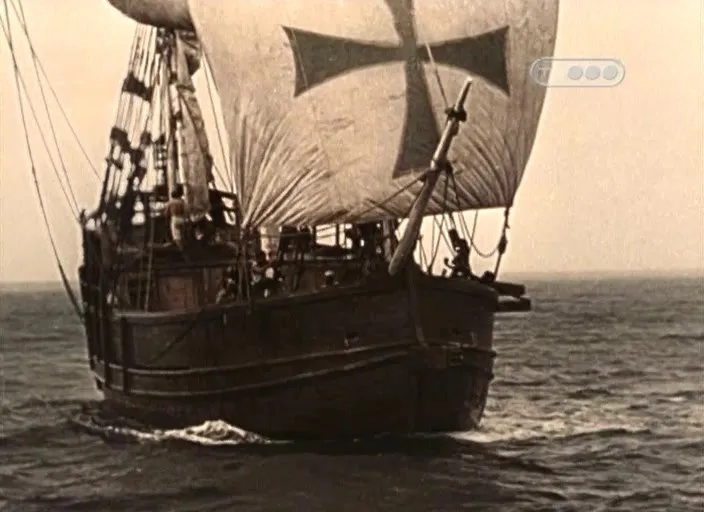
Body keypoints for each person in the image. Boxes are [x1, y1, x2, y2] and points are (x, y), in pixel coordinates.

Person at [164, 184, 188, 248]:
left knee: (176, 235)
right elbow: (185, 211)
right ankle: (184, 245)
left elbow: (166, 213)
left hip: (175, 218)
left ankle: (180, 247)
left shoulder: (170, 203)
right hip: (182, 218)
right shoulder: (182, 202)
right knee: (182, 233)